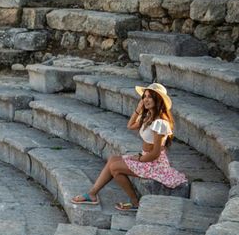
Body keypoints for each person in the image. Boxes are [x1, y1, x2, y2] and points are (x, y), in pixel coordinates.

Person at [70, 83, 188, 212]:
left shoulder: (160, 123)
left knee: (115, 168)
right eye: (144, 97)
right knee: (113, 160)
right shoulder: (148, 116)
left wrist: (139, 159)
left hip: (154, 163)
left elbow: (155, 153)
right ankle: (92, 194)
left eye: (150, 97)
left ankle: (134, 202)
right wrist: (139, 108)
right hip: (145, 157)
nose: (146, 100)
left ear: (158, 100)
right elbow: (130, 125)